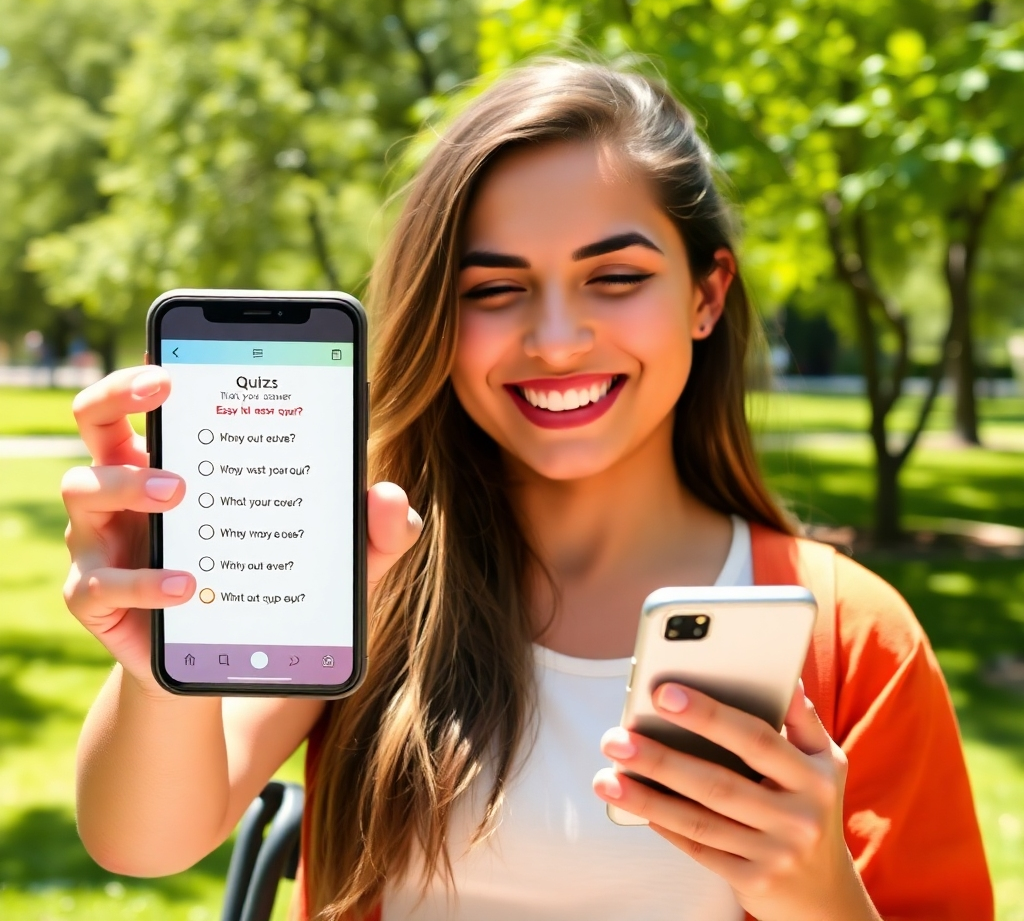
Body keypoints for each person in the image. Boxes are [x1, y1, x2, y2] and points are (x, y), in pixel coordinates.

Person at [64, 60, 991, 921]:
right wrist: (158, 669)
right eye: (495, 290)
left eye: (615, 277)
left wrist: (823, 891)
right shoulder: (370, 567)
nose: (555, 340)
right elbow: (143, 842)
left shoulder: (848, 636)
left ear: (707, 295)